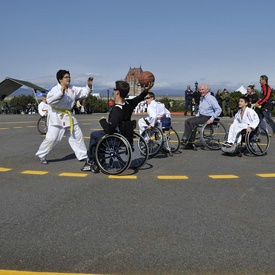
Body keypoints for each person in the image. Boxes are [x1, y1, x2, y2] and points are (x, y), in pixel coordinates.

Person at [81, 80, 153, 173]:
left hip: (116, 139)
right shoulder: (128, 104)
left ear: (117, 92)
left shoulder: (116, 110)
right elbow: (139, 98)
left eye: (114, 89)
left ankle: (92, 161)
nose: (113, 91)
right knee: (99, 135)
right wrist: (146, 90)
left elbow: (109, 130)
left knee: (94, 135)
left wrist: (102, 121)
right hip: (127, 136)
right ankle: (100, 159)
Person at [35, 70, 93, 164]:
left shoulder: (72, 88)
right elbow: (50, 100)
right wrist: (60, 94)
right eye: (66, 77)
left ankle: (82, 155)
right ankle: (42, 155)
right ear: (60, 79)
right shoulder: (55, 90)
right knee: (52, 138)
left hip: (69, 116)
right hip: (56, 117)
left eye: (69, 77)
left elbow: (84, 93)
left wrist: (89, 86)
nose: (68, 79)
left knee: (77, 136)